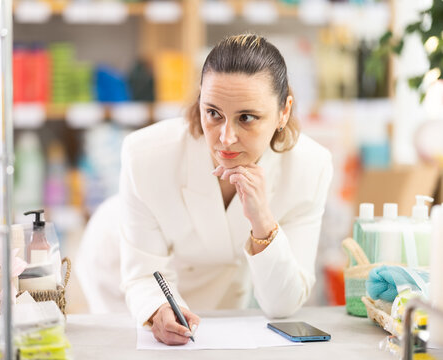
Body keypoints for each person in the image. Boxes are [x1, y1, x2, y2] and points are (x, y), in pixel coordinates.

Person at [77, 34, 333, 346]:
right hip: (119, 261)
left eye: (247, 118)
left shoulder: (310, 167)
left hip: (220, 278)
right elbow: (145, 272)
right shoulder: (145, 154)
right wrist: (156, 308)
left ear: (284, 111)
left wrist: (263, 221)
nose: (226, 138)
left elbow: (283, 304)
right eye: (213, 113)